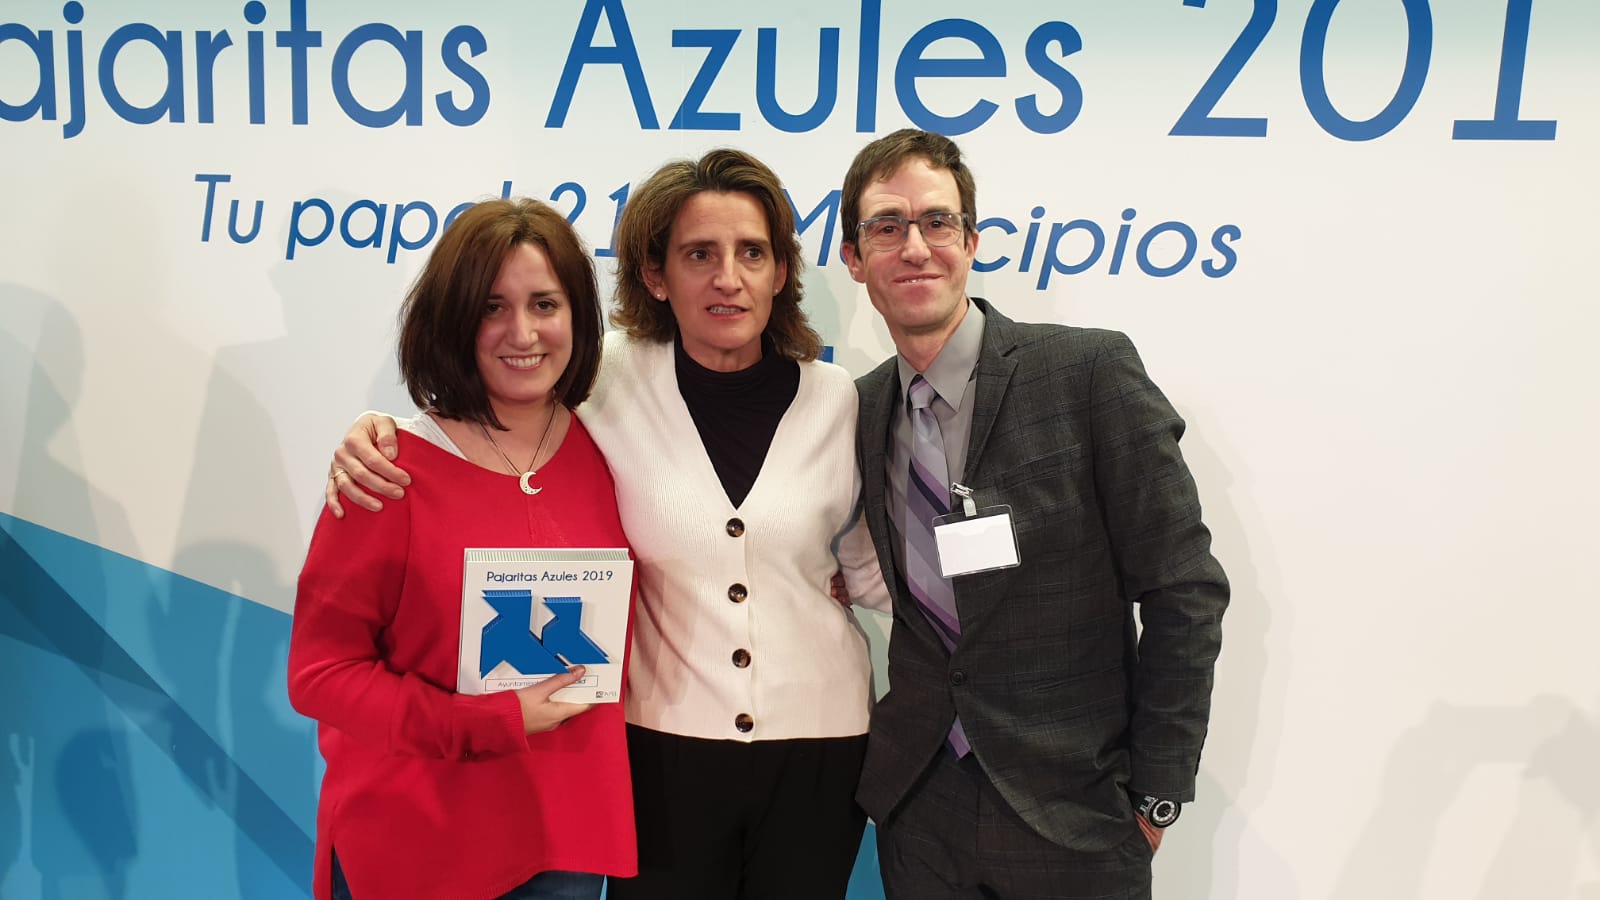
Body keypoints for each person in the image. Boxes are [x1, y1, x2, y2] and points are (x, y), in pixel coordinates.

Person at [324, 149, 887, 899]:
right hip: (660, 746)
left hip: (822, 744)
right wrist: (378, 429)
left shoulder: (839, 398)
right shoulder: (601, 378)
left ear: (782, 271)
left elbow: (872, 561)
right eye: (699, 254)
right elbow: (490, 403)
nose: (728, 277)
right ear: (655, 275)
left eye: (752, 252)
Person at [838, 128, 1230, 899]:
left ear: (971, 242)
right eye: (886, 226)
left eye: (936, 221)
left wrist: (1157, 792)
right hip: (921, 810)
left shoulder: (1086, 373)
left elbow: (1185, 588)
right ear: (854, 258)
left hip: (1076, 814)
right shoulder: (860, 408)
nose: (914, 247)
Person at [288, 198, 636, 900]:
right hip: (417, 845)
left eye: (545, 304)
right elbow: (320, 674)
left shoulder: (616, 449)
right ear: (452, 319)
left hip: (564, 843)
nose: (523, 333)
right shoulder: (387, 471)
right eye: (490, 308)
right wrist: (479, 724)